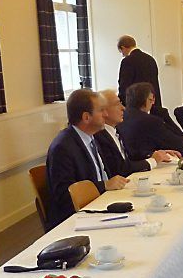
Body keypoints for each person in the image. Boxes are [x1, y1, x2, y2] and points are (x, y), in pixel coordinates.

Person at [45, 89, 129, 228]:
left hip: (102, 204)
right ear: (86, 117)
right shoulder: (63, 148)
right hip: (77, 220)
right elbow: (65, 196)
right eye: (101, 110)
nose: (106, 114)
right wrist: (105, 185)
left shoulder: (91, 136)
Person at [94, 89, 178, 177]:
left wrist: (154, 154)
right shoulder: (99, 136)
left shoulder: (117, 129)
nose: (123, 108)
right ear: (103, 110)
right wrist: (152, 161)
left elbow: (131, 155)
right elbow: (120, 169)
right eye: (117, 104)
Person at [118, 82, 183, 159]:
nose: (153, 102)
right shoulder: (150, 121)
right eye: (151, 99)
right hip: (143, 165)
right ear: (144, 100)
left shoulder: (120, 117)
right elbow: (180, 145)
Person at [117, 35, 162, 111]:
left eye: (121, 52)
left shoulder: (127, 61)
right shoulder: (150, 59)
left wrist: (122, 103)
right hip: (152, 102)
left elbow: (124, 84)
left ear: (123, 48)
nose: (122, 55)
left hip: (135, 104)